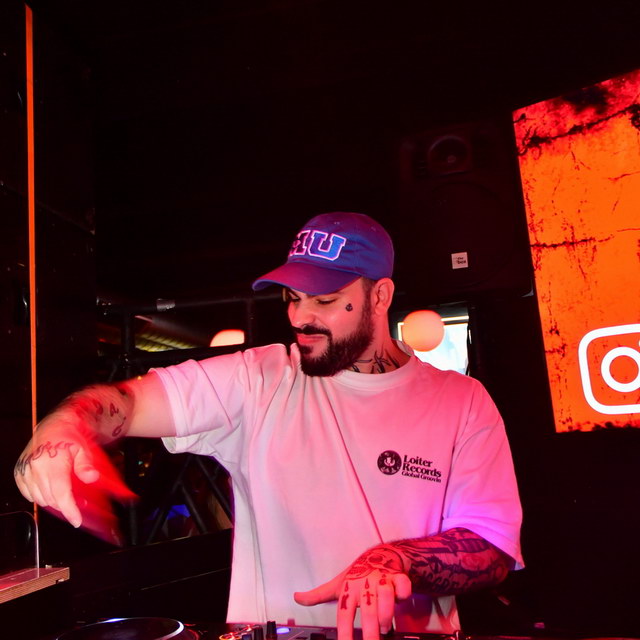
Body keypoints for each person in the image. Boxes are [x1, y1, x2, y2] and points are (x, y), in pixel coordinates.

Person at [14, 212, 523, 639]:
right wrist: (64, 425)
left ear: (380, 296)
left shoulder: (462, 401)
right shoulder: (259, 379)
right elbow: (126, 401)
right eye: (292, 298)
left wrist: (398, 559)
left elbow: (493, 549)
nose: (300, 317)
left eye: (324, 300)